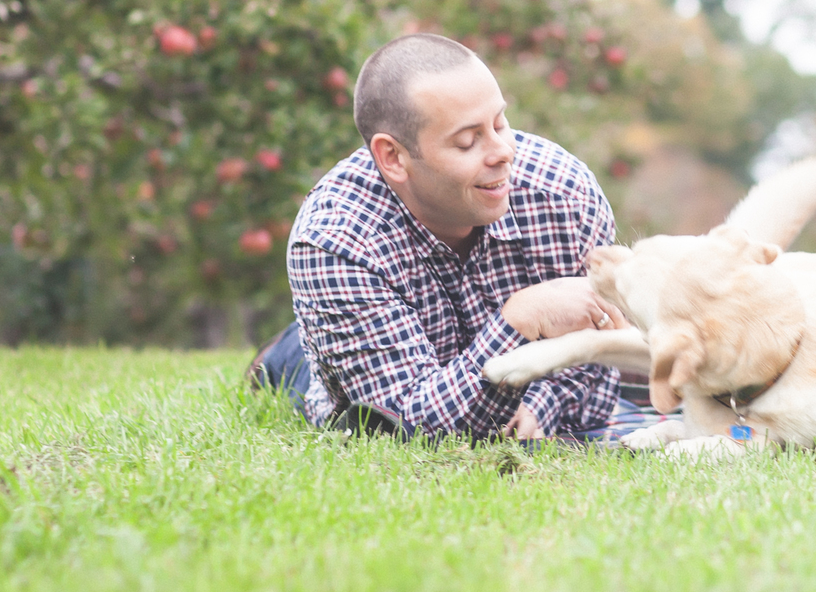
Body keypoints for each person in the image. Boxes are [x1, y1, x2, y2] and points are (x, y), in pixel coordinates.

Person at [255, 33, 627, 440]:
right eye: (468, 141)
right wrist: (520, 320)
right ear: (394, 157)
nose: (503, 151)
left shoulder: (565, 195)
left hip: (460, 368)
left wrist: (543, 402)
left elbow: (598, 368)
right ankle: (290, 347)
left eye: (500, 123)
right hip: (370, 355)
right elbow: (399, 426)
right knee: (303, 373)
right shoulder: (335, 241)